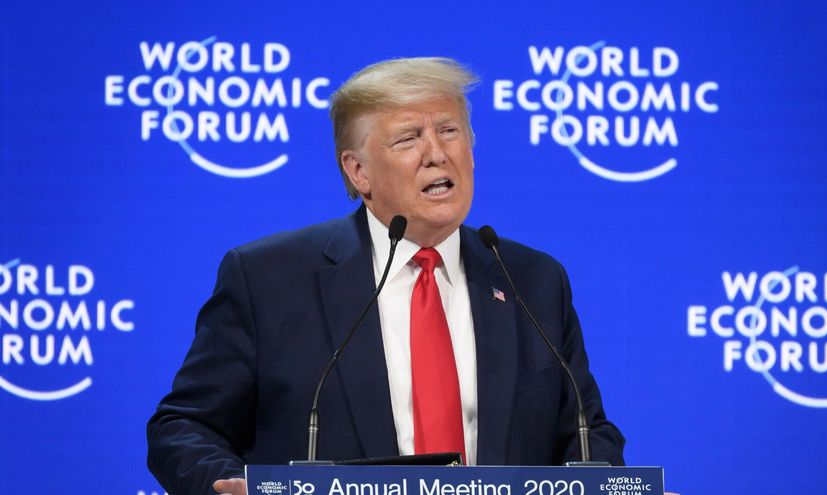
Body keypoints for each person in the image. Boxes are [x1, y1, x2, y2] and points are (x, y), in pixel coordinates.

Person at [147, 57, 625, 495]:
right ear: (359, 172)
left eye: (449, 130)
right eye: (408, 138)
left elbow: (585, 434)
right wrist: (230, 487)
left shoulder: (532, 279)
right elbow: (185, 427)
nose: (436, 153)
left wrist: (608, 486)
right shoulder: (268, 279)